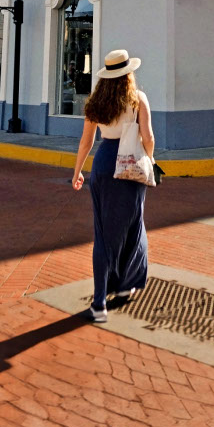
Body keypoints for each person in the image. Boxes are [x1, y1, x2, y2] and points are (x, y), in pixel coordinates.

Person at [71, 50, 153, 323]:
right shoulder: (138, 99)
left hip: (104, 164)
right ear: (128, 73)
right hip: (130, 164)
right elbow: (148, 137)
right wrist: (150, 160)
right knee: (133, 224)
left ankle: (99, 303)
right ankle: (126, 283)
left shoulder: (96, 102)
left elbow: (86, 141)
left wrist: (77, 172)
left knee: (104, 233)